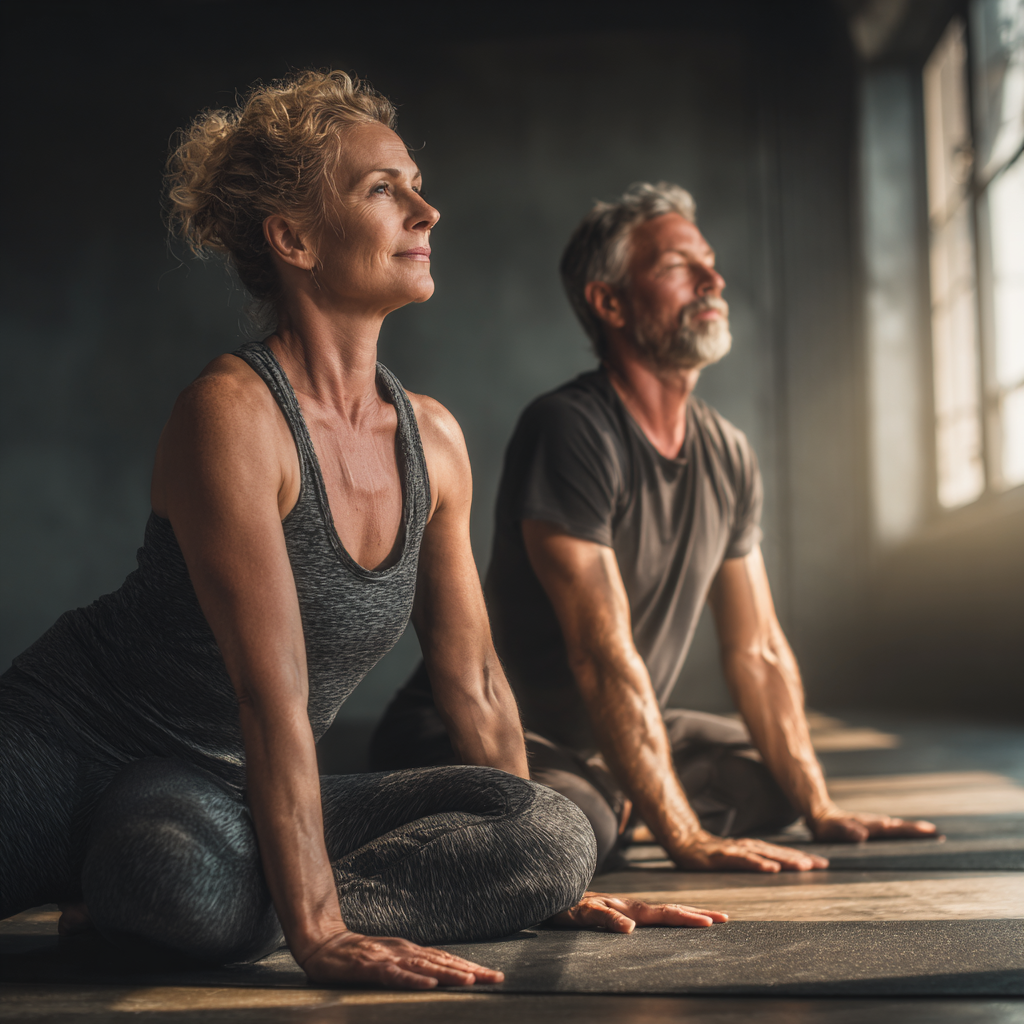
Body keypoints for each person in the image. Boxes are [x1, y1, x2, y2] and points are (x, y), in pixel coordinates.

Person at [0, 86, 729, 990]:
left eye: (418, 186)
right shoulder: (233, 415)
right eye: (386, 189)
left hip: (224, 799)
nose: (427, 210)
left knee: (554, 830)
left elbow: (476, 682)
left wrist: (538, 882)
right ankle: (165, 894)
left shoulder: (436, 441)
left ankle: (167, 902)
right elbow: (271, 692)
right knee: (178, 877)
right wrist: (315, 932)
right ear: (294, 240)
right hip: (71, 744)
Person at [372, 182, 938, 874]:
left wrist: (821, 808)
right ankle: (591, 803)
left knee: (763, 779)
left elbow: (758, 650)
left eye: (708, 261)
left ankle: (623, 790)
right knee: (584, 823)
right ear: (608, 302)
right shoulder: (571, 429)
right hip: (486, 728)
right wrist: (685, 836)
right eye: (676, 267)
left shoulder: (727, 451)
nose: (712, 279)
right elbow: (600, 652)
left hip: (598, 735)